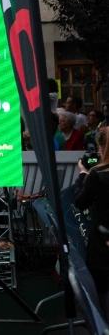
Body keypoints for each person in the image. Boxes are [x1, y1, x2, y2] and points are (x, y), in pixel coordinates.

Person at [76, 127, 109, 319]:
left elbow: (81, 202)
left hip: (102, 245)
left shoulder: (98, 173)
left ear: (102, 147)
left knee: (102, 289)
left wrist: (82, 174)